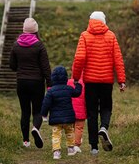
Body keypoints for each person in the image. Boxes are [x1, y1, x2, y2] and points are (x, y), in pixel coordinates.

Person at [71, 11, 126, 155]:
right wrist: (121, 80)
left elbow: (79, 58)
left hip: (90, 81)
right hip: (107, 81)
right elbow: (118, 59)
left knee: (92, 112)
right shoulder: (111, 36)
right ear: (104, 21)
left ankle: (94, 147)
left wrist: (76, 77)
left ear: (90, 21)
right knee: (106, 107)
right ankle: (104, 128)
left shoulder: (85, 36)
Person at [9, 17, 52, 148]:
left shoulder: (16, 45)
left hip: (21, 82)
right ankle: (35, 129)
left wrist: (21, 68)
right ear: (35, 31)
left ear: (24, 30)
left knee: (25, 111)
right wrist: (49, 83)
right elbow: (45, 67)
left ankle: (26, 141)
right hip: (37, 83)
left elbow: (12, 66)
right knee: (37, 111)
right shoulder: (39, 45)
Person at [40, 65, 82, 160]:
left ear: (53, 78)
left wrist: (44, 114)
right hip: (68, 118)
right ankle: (71, 149)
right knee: (70, 132)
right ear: (66, 78)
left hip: (56, 119)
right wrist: (78, 84)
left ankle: (56, 152)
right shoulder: (69, 89)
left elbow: (46, 103)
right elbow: (77, 93)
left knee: (56, 134)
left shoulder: (51, 91)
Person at [67, 77, 86, 153]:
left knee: (70, 128)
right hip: (81, 111)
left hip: (70, 110)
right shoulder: (85, 83)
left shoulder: (68, 82)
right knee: (79, 128)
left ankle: (70, 145)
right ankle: (76, 145)